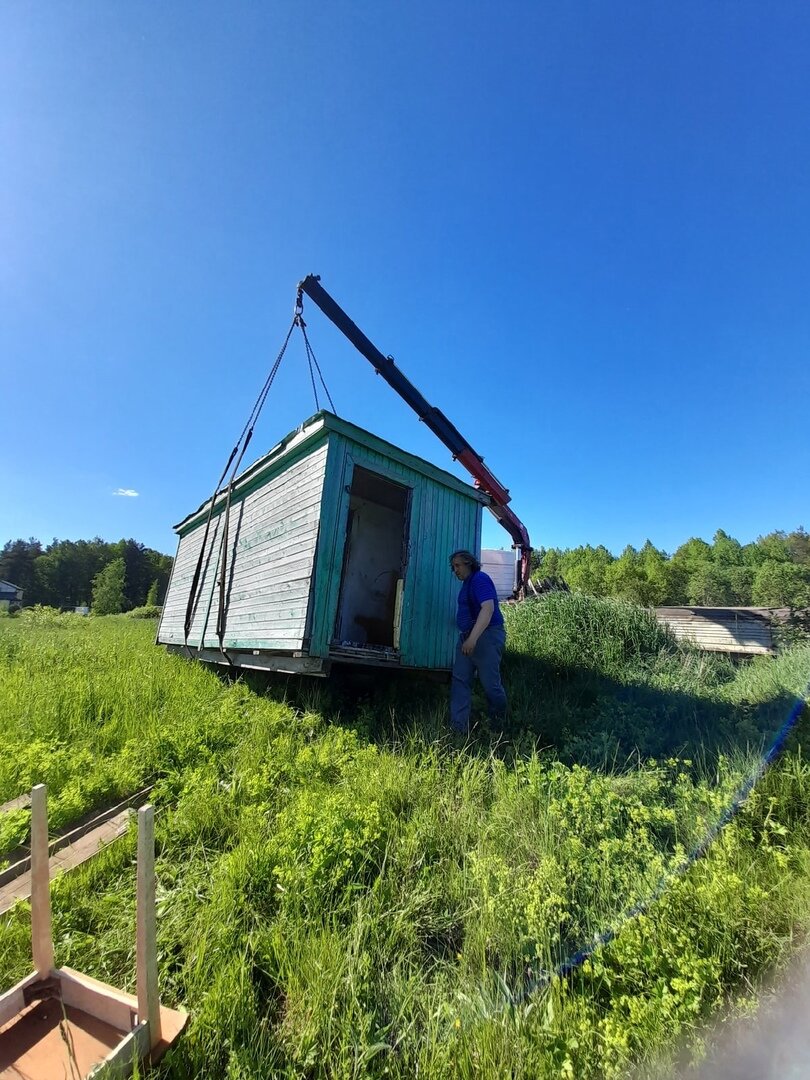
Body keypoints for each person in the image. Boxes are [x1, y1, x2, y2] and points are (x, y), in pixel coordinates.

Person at [449, 550, 507, 733]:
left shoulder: (479, 579)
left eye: (457, 565)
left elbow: (488, 609)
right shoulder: (467, 584)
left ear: (469, 563)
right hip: (468, 637)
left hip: (486, 637)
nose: (455, 570)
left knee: (490, 684)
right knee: (460, 680)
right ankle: (458, 729)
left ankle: (499, 724)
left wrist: (473, 639)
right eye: (453, 567)